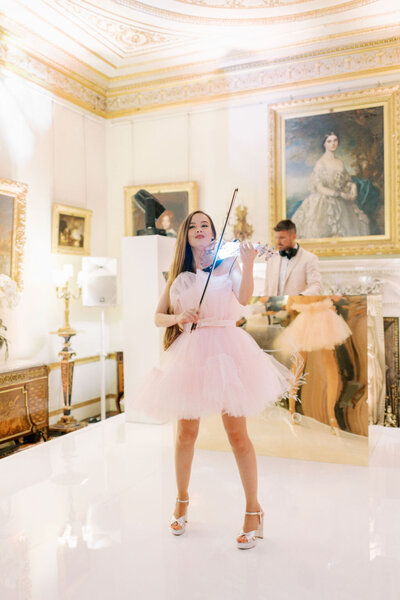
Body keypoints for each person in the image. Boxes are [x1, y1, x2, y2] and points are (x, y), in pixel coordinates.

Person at [134, 210, 291, 550]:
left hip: (228, 349)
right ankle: (181, 501)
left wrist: (248, 265)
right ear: (186, 236)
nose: (200, 229)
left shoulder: (228, 265)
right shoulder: (179, 276)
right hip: (192, 353)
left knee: (237, 434)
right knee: (185, 433)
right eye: (193, 225)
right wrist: (180, 315)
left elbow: (245, 298)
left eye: (206, 225)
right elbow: (158, 317)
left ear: (213, 233)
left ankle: (253, 510)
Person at [291, 131, 369, 239]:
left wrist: (353, 186)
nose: (333, 143)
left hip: (342, 202)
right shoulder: (320, 163)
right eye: (329, 141)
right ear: (325, 144)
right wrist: (340, 194)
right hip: (324, 202)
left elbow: (345, 181)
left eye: (335, 140)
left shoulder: (340, 162)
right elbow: (320, 187)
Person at [264, 219, 322, 297]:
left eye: (282, 238)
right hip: (274, 307)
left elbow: (316, 286)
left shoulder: (309, 259)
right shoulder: (271, 258)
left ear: (293, 236)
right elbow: (267, 288)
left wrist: (301, 297)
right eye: (276, 238)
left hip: (298, 306)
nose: (278, 242)